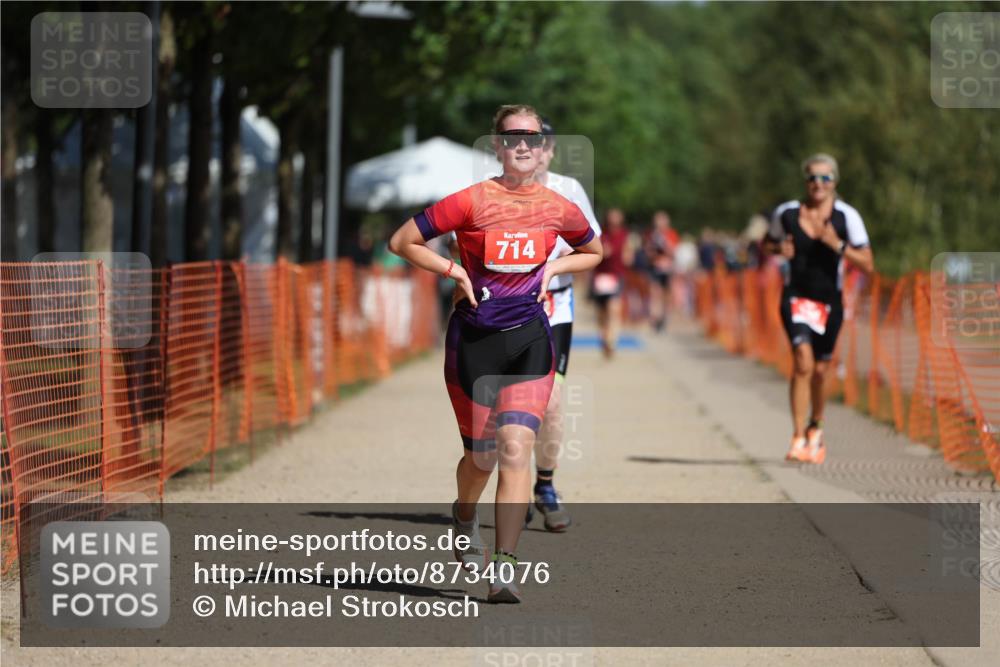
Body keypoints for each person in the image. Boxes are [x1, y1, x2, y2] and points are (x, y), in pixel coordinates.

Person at [388, 104, 602, 602]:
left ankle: (503, 568)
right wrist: (453, 272)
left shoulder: (557, 205)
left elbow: (594, 251)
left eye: (530, 136)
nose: (522, 145)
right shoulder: (469, 200)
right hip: (474, 339)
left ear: (542, 144)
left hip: (529, 335)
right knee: (480, 459)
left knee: (515, 449)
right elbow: (402, 240)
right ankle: (463, 515)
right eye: (511, 138)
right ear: (498, 146)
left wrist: (554, 272)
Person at [765, 153, 874, 464]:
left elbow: (868, 262)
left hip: (830, 301)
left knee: (822, 369)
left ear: (834, 182)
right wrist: (778, 249)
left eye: (825, 178)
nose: (818, 183)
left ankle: (817, 425)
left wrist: (836, 244)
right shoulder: (786, 213)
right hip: (795, 297)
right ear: (805, 181)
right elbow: (767, 243)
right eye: (813, 177)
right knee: (802, 362)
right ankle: (798, 435)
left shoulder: (846, 217)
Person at [524, 119, 603, 533]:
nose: (530, 152)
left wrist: (551, 262)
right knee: (503, 402)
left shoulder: (568, 189)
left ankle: (545, 485)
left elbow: (592, 245)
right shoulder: (492, 190)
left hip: (555, 305)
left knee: (550, 401)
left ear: (550, 151)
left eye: (539, 144)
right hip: (507, 306)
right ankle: (514, 486)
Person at [591, 208, 632, 358]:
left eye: (617, 217)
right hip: (600, 276)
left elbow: (629, 254)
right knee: (602, 312)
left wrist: (628, 256)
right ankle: (603, 336)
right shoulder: (601, 234)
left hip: (617, 275)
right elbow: (592, 251)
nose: (614, 220)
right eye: (612, 217)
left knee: (614, 309)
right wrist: (602, 251)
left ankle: (612, 340)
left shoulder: (625, 235)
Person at [646, 210, 677, 332]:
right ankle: (655, 318)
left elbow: (673, 252)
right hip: (655, 267)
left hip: (667, 269)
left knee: (666, 295)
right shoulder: (651, 235)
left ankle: (664, 318)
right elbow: (648, 252)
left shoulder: (671, 234)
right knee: (655, 293)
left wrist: (664, 242)